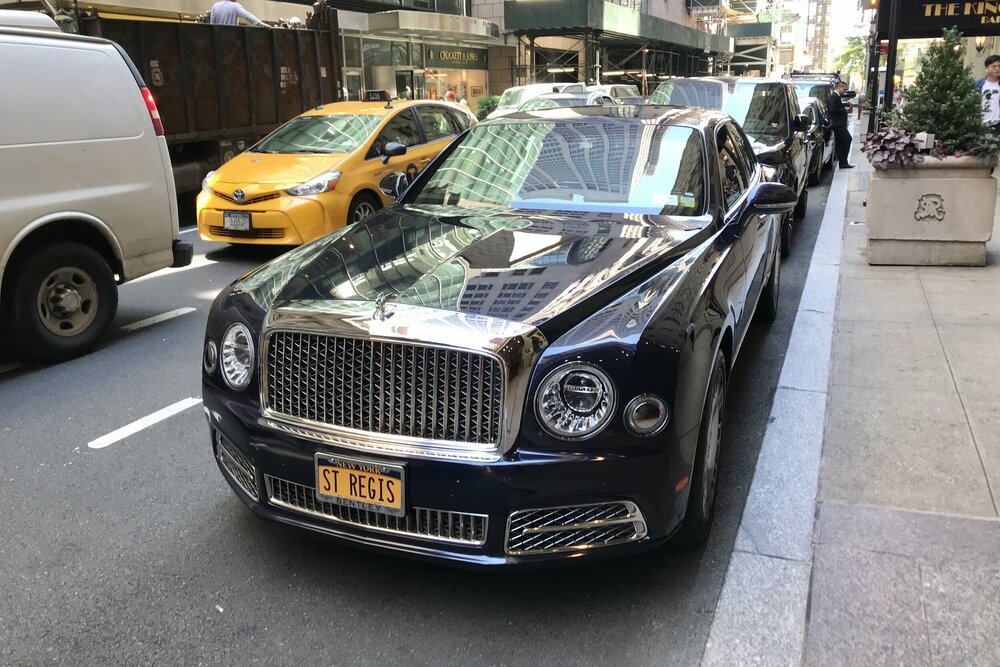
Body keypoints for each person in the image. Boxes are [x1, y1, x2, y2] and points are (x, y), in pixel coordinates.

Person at [828, 81, 854, 169]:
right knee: (847, 139)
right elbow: (832, 110)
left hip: (839, 123)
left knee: (841, 142)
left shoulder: (836, 97)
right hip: (837, 124)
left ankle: (843, 162)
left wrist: (846, 105)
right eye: (844, 89)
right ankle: (843, 160)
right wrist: (844, 110)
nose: (845, 91)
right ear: (839, 88)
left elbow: (837, 106)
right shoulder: (834, 97)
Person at [975, 54, 1000, 127]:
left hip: (997, 124)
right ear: (986, 68)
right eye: (994, 66)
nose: (997, 69)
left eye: (999, 66)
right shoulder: (978, 85)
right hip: (980, 124)